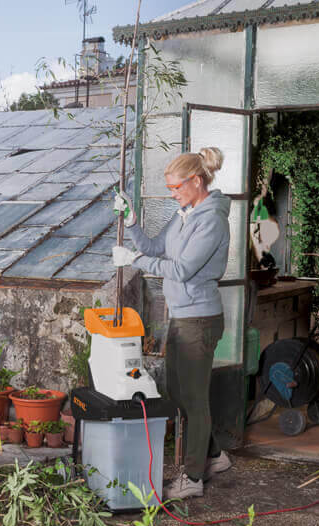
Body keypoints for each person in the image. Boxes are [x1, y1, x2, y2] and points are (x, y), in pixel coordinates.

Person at [112, 148, 232, 499]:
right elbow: (154, 247)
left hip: (200, 318)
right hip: (182, 316)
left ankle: (193, 478)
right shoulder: (184, 214)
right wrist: (132, 224)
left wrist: (137, 260)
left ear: (196, 181)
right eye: (169, 188)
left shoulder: (211, 220)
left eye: (176, 186)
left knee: (194, 401)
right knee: (179, 394)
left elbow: (181, 270)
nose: (172, 193)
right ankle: (215, 456)